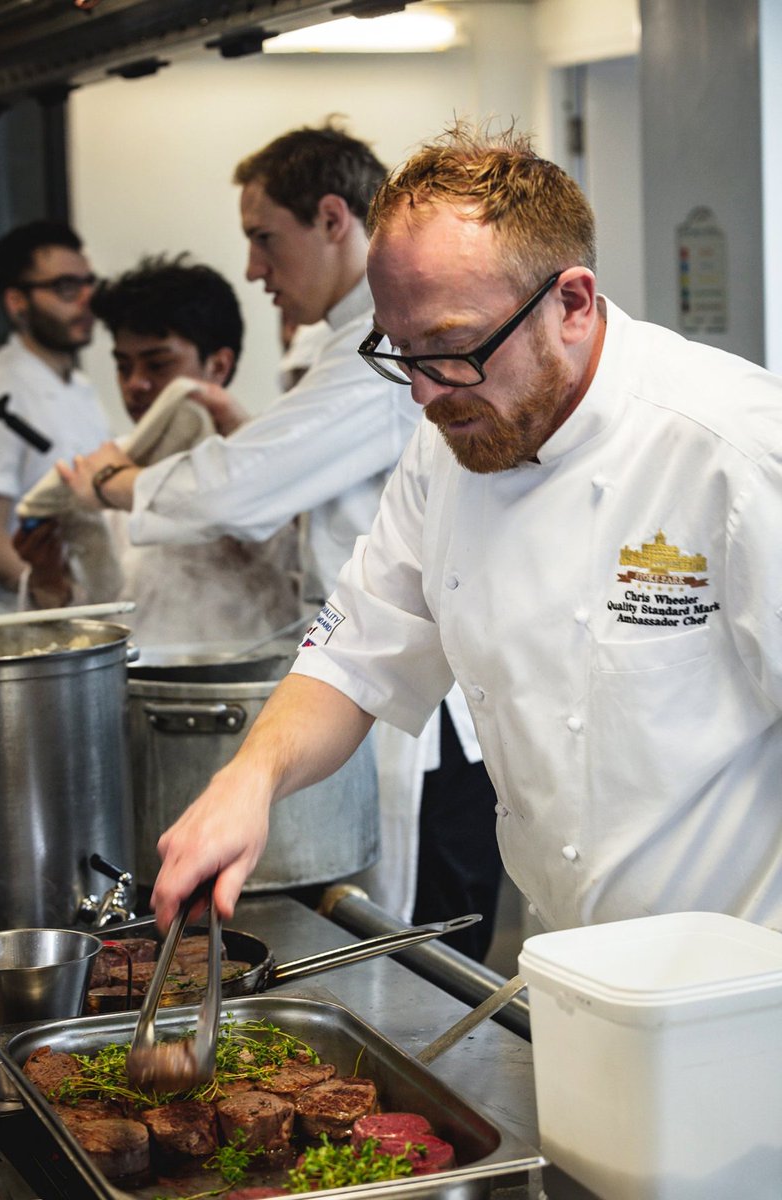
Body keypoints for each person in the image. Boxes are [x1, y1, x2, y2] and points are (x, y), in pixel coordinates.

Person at [149, 121, 782, 942]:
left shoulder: (734, 450)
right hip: (569, 964)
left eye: (451, 349)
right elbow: (352, 653)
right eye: (399, 352)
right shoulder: (448, 443)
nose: (423, 394)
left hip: (745, 985)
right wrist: (249, 779)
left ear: (573, 304)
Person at [59, 122, 501, 959]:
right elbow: (296, 480)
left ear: (334, 219)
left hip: (417, 711)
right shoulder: (342, 349)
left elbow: (241, 485)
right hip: (363, 677)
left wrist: (112, 485)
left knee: (426, 959)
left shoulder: (378, 351)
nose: (255, 268)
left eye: (264, 240)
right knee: (388, 940)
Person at [16, 253, 300, 645]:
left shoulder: (268, 468)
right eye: (123, 366)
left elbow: (313, 589)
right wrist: (49, 579)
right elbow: (78, 633)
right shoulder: (96, 478)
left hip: (249, 694)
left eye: (158, 365)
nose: (136, 384)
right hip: (132, 695)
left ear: (218, 366)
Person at [0, 219, 107, 611]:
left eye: (89, 283)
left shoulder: (81, 386)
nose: (86, 300)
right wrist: (61, 598)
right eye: (66, 288)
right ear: (18, 301)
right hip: (22, 624)